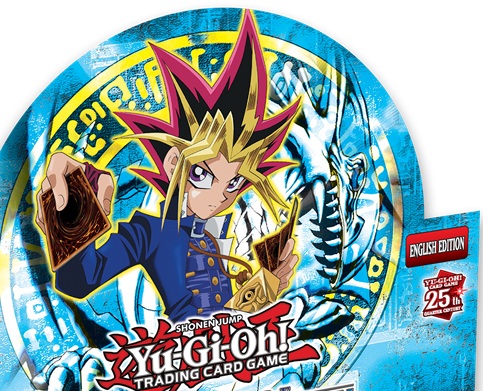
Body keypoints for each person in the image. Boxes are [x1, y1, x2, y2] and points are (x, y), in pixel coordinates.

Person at [35, 10, 300, 320]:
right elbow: (80, 281)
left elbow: (228, 312)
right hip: (181, 343)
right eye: (202, 174)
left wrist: (267, 287)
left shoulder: (217, 233)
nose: (218, 197)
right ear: (174, 163)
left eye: (233, 183)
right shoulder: (152, 232)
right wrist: (76, 205)